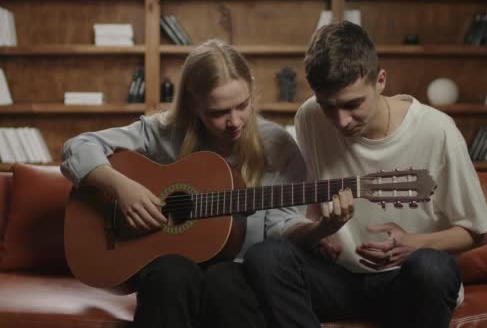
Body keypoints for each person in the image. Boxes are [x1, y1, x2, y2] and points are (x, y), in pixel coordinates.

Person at [243, 21, 487, 328]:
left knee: (433, 268)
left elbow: (481, 232)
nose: (341, 120)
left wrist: (415, 243)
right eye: (328, 107)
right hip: (341, 279)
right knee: (266, 256)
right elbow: (310, 206)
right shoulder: (309, 117)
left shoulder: (437, 131)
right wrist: (321, 230)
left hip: (407, 281)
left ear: (381, 80)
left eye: (353, 104)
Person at [61, 39, 308, 328]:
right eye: (218, 112)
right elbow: (76, 147)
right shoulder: (164, 131)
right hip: (167, 268)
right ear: (193, 104)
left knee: (226, 281)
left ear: (251, 90)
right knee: (171, 271)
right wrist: (119, 187)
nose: (235, 121)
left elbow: (281, 228)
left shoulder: (277, 145)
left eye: (242, 105)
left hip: (234, 273)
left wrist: (318, 230)